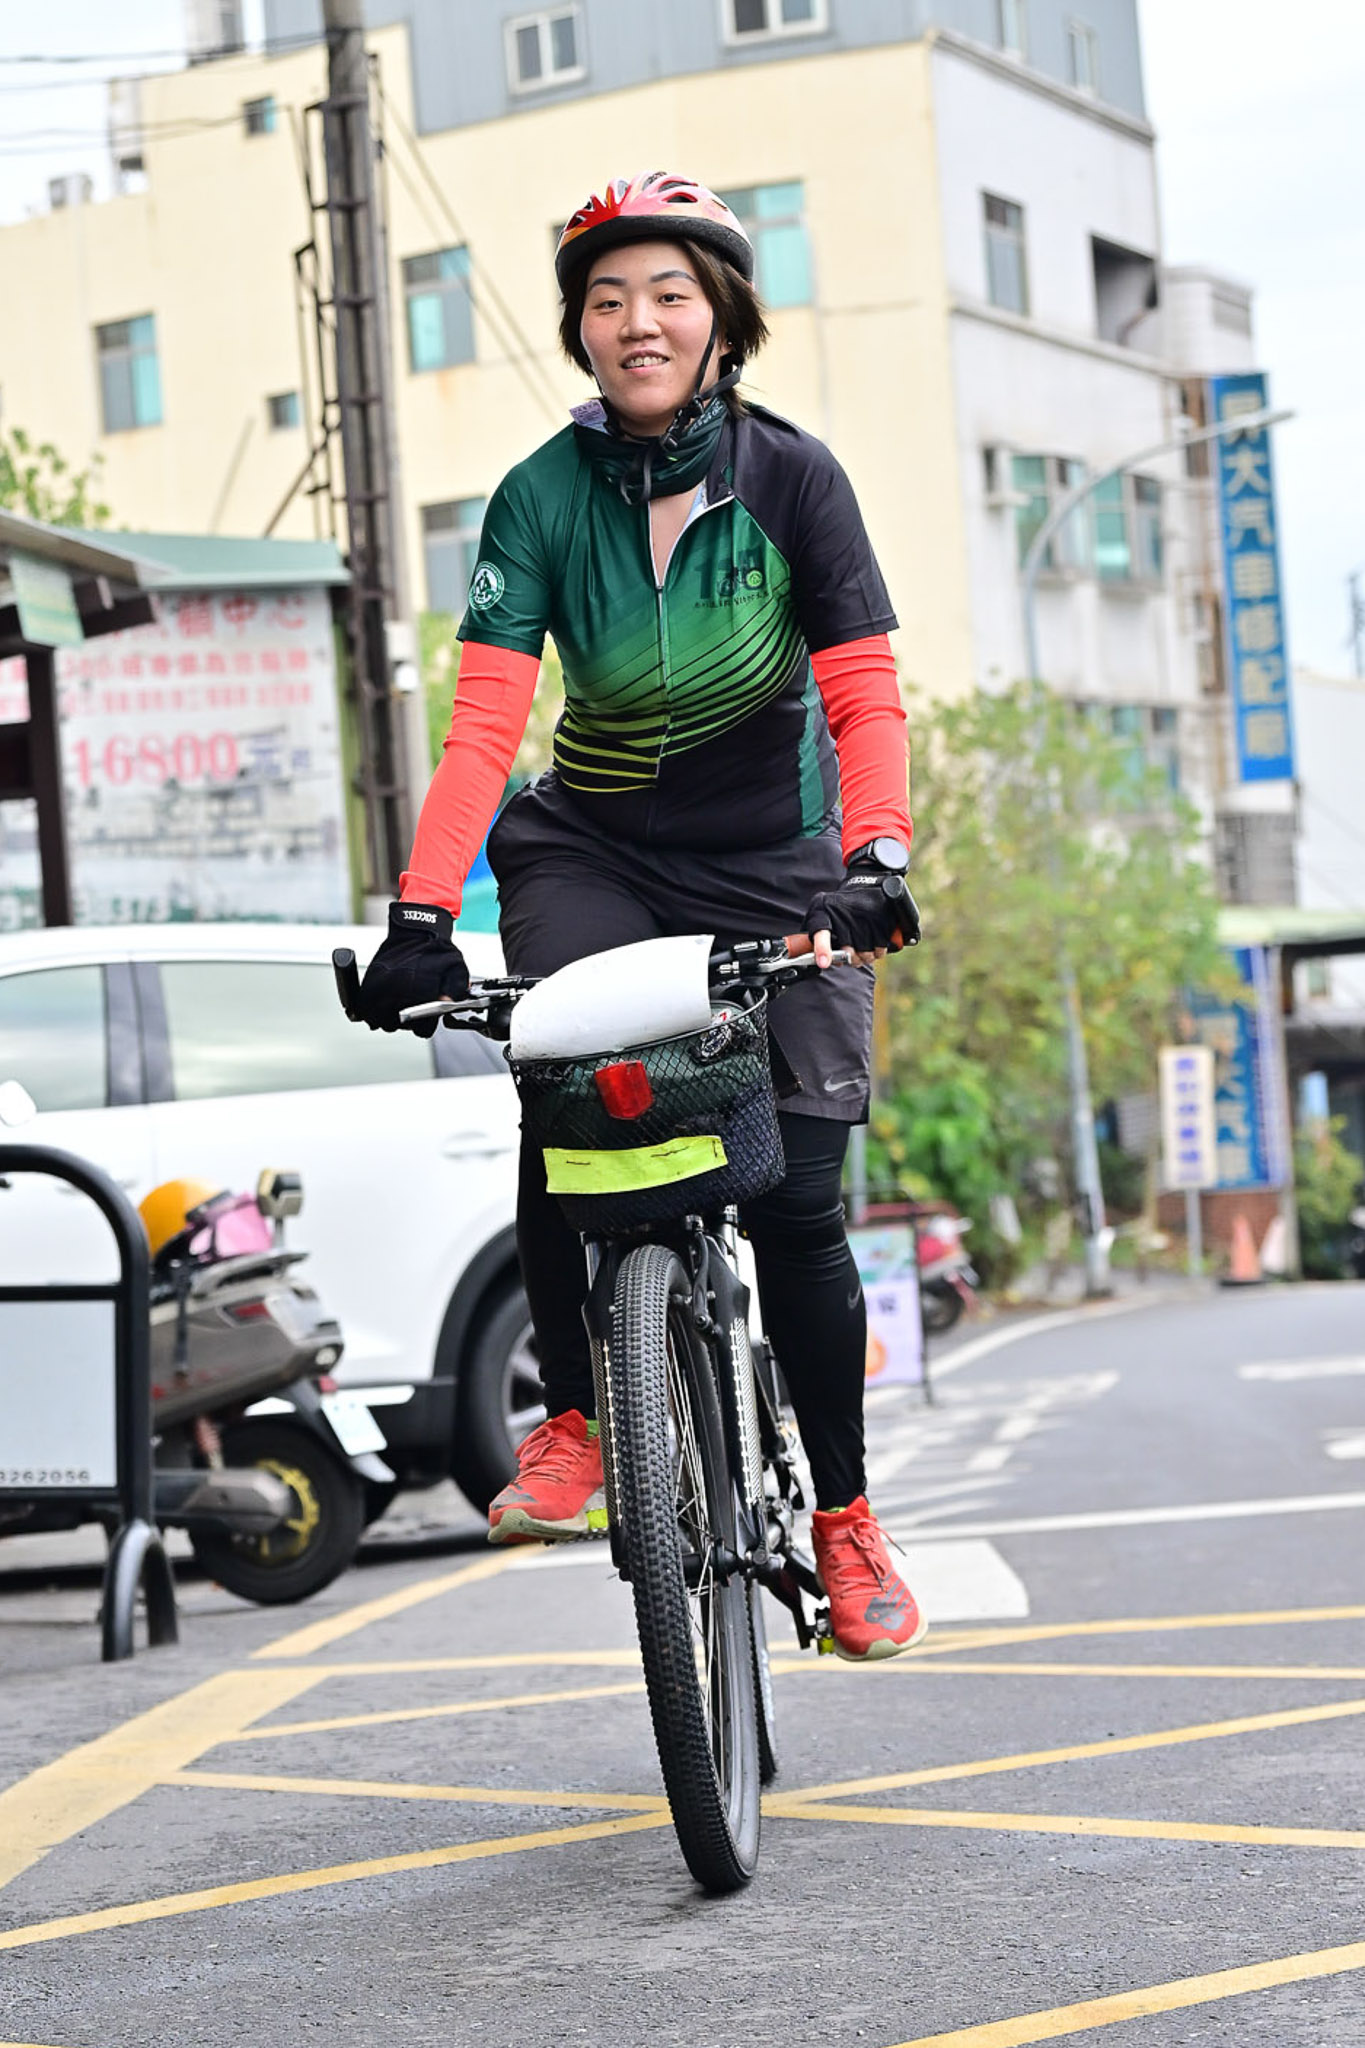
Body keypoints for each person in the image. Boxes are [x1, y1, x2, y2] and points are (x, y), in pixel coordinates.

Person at [356, 171, 924, 1661]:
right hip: (593, 847)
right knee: (563, 1085)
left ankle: (844, 1518)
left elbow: (862, 692)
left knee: (797, 1202)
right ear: (582, 333)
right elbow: (486, 725)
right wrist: (422, 910)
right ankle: (575, 1424)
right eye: (607, 301)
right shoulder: (541, 497)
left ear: (721, 320)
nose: (637, 323)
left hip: (780, 857)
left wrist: (874, 859)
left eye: (668, 294)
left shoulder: (794, 481)